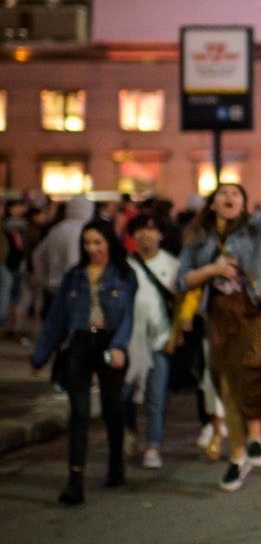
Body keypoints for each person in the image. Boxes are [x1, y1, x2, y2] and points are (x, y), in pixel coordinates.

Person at [177, 177, 261, 492]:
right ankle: (238, 456)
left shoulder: (255, 226)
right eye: (223, 193)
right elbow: (182, 280)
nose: (229, 197)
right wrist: (211, 270)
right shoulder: (197, 238)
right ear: (213, 202)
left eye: (236, 193)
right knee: (227, 385)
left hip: (255, 311)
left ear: (244, 203)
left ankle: (257, 436)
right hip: (220, 316)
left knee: (252, 368)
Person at [29, 219, 137, 505]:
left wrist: (118, 347)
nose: (93, 249)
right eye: (87, 243)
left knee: (113, 408)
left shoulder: (124, 275)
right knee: (80, 413)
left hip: (110, 342)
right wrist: (40, 355)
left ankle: (116, 464)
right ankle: (74, 480)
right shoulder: (74, 276)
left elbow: (128, 318)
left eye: (98, 243)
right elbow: (56, 318)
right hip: (79, 345)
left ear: (109, 243)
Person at [124, 213, 180, 470]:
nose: (146, 234)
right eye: (140, 230)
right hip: (128, 342)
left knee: (156, 395)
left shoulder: (172, 265)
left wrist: (176, 334)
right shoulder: (125, 266)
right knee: (124, 393)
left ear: (161, 234)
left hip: (159, 340)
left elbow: (180, 303)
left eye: (152, 229)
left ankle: (153, 445)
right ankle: (129, 432)